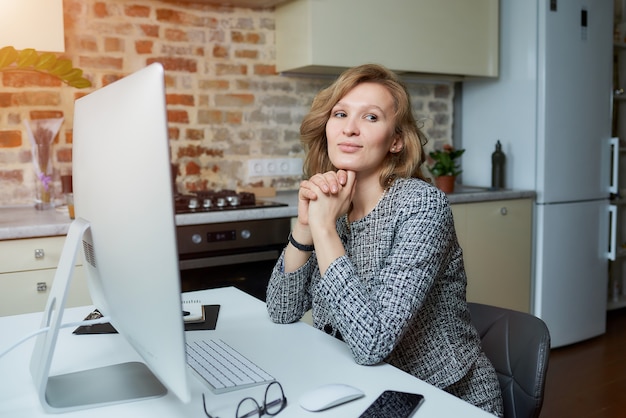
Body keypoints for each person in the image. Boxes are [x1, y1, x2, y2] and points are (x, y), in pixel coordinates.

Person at [265, 64, 504, 416]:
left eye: (371, 117)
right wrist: (305, 225)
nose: (349, 127)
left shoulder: (421, 206)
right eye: (341, 113)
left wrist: (325, 230)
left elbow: (372, 343)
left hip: (444, 399)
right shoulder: (333, 205)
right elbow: (281, 311)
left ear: (396, 140)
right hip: (366, 388)